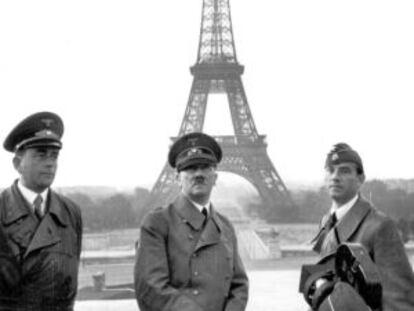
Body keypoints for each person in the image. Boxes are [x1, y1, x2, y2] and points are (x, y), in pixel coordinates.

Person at [134, 132, 249, 311]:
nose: (198, 174)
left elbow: (239, 284)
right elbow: (152, 288)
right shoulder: (156, 224)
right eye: (190, 168)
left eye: (205, 167)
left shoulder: (226, 226)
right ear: (177, 178)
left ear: (215, 178)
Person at [311, 142, 414, 311]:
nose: (335, 177)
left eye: (344, 170)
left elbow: (400, 303)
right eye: (330, 170)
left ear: (360, 179)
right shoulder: (326, 222)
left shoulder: (381, 227)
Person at [0, 111, 83, 310]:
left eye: (54, 155)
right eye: (40, 154)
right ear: (17, 163)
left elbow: (69, 284)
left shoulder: (71, 212)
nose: (50, 163)